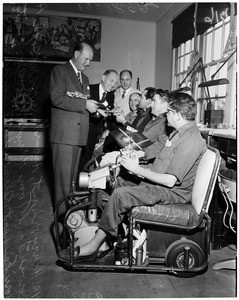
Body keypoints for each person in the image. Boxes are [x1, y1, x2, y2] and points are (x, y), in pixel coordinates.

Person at [71, 92, 207, 258]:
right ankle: (115, 229)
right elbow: (162, 163)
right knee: (119, 180)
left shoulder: (191, 140)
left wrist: (137, 170)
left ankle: (95, 244)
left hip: (172, 192)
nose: (166, 115)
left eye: (169, 112)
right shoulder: (178, 133)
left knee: (121, 194)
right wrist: (138, 163)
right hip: (160, 184)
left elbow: (170, 181)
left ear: (178, 115)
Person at [49, 43, 99, 215]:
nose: (88, 63)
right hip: (64, 135)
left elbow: (82, 107)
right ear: (76, 54)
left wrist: (97, 110)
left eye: (91, 60)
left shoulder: (84, 79)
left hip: (78, 136)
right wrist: (85, 103)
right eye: (86, 59)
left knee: (71, 181)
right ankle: (63, 218)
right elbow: (57, 98)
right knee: (62, 182)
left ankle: (70, 214)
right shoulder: (60, 71)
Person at [79, 69, 118, 170]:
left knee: (86, 159)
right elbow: (80, 105)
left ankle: (81, 182)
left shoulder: (111, 95)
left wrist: (114, 113)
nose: (113, 85)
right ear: (103, 78)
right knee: (77, 159)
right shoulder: (89, 89)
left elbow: (108, 115)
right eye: (111, 81)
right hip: (81, 129)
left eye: (115, 83)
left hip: (94, 133)